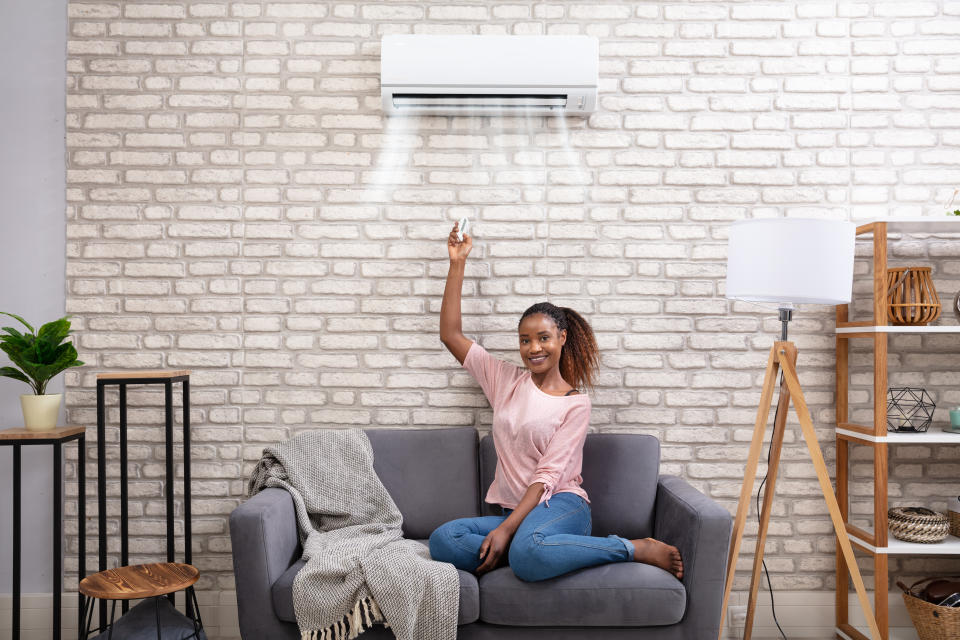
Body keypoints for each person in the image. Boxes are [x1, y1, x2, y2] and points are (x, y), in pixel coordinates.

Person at [428, 221, 683, 583]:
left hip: (561, 506)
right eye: (525, 340)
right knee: (444, 540)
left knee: (527, 551)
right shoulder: (504, 380)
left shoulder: (575, 404)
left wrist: (505, 531)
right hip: (515, 514)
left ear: (561, 338)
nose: (534, 348)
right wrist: (457, 263)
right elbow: (450, 334)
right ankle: (530, 551)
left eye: (543, 338)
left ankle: (630, 547)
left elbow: (547, 477)